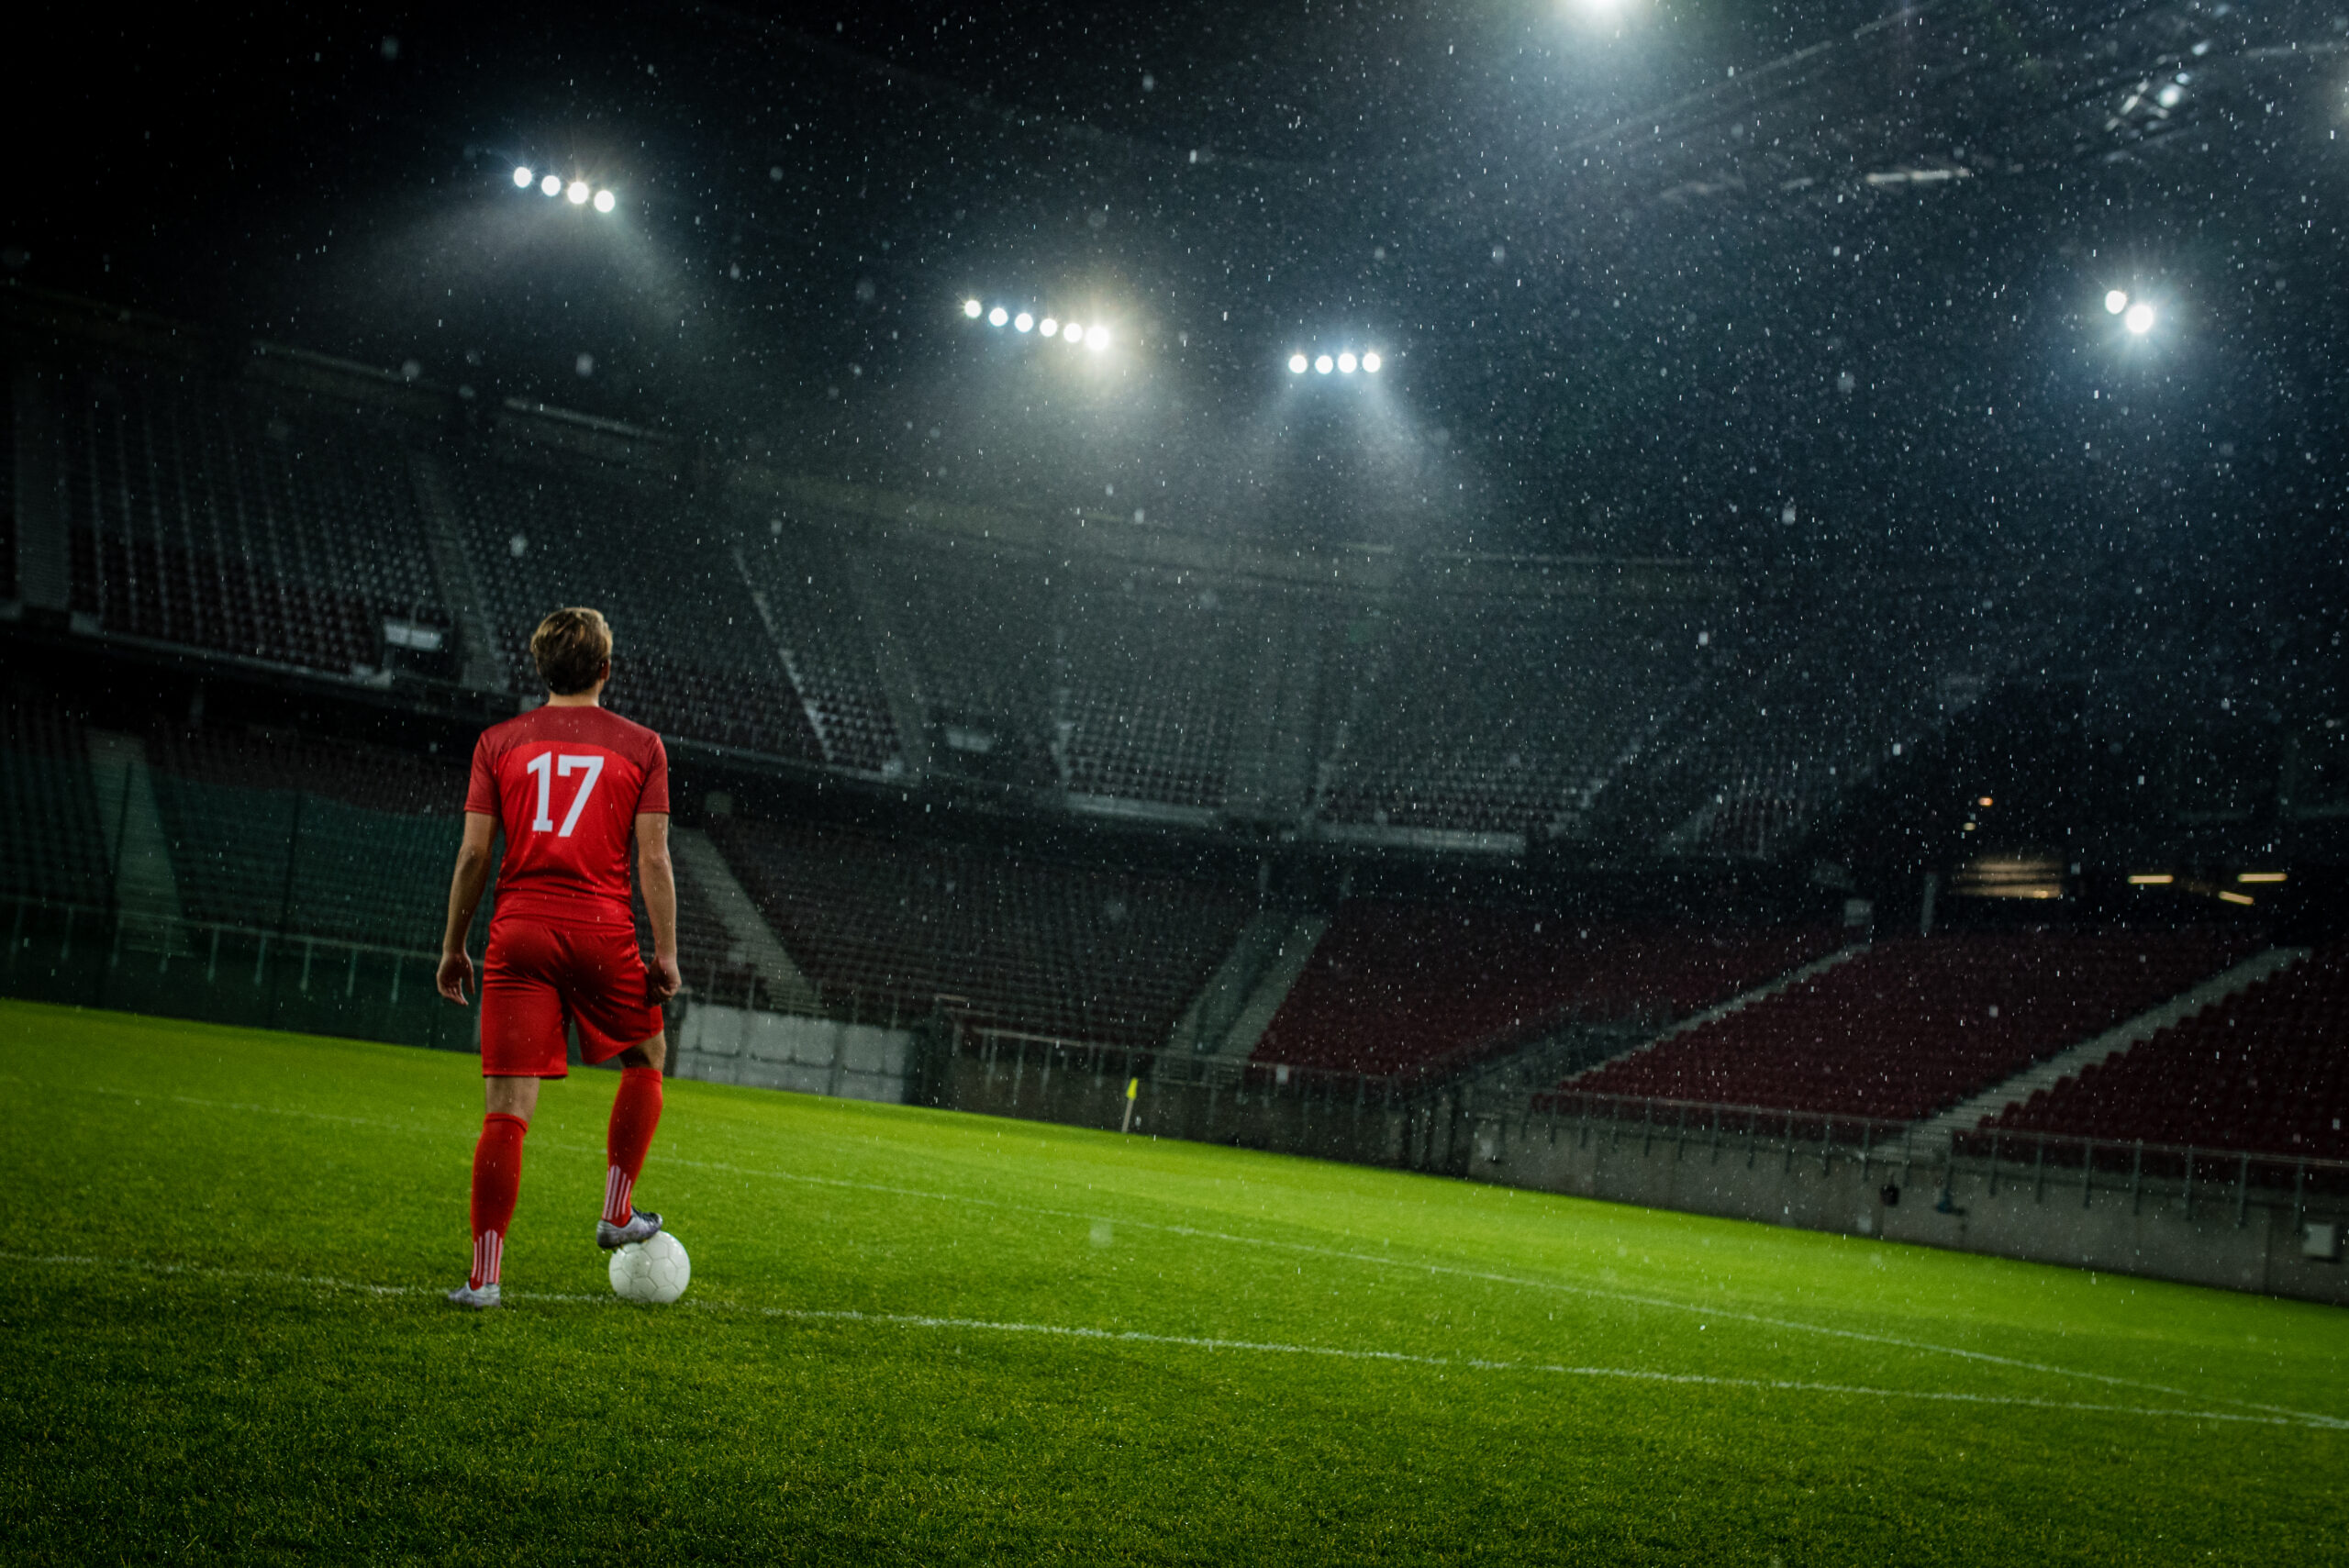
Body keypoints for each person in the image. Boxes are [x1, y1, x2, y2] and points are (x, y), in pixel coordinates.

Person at [435, 606, 682, 1307]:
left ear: (541, 670)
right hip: (602, 930)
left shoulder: (499, 742)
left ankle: (484, 1279)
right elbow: (655, 858)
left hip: (519, 933)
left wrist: (454, 945)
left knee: (506, 1112)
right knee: (647, 1056)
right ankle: (616, 1209)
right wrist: (665, 952)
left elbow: (477, 852)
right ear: (606, 669)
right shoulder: (642, 746)